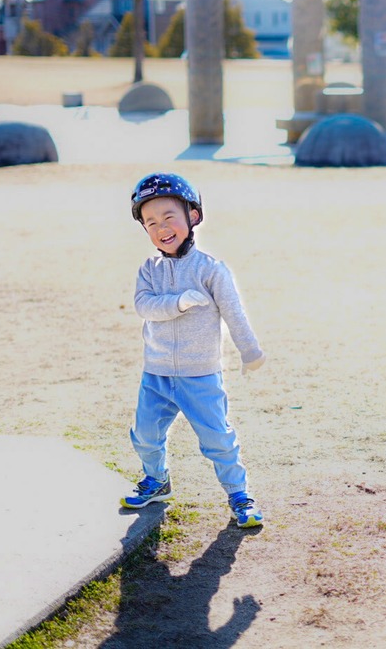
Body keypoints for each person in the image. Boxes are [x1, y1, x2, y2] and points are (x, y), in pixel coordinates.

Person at [120, 172, 267, 528]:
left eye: (169, 217)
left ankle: (239, 496)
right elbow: (145, 306)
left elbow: (234, 312)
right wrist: (179, 302)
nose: (161, 228)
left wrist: (251, 352)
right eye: (151, 222)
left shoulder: (210, 270)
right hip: (156, 373)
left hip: (200, 374)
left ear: (193, 216)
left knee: (218, 438)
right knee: (145, 434)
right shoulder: (149, 270)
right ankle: (157, 481)